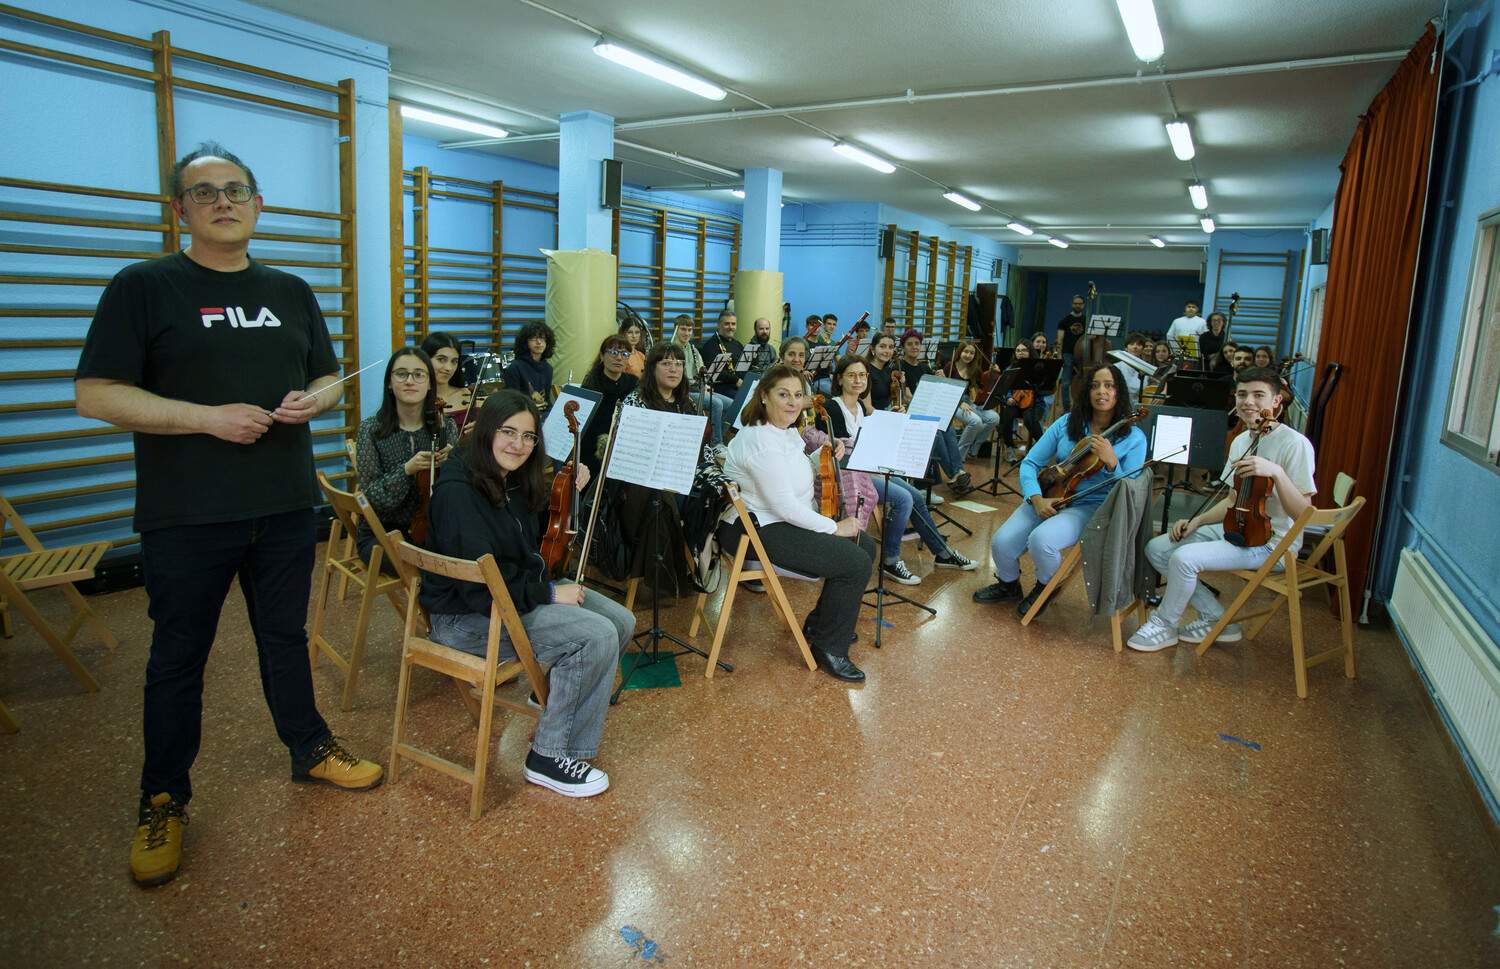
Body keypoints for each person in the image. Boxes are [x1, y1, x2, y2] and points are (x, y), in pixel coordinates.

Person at [74, 142, 382, 888]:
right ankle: (162, 798)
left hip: (284, 505)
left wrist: (317, 400)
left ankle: (309, 747)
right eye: (205, 191)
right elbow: (95, 393)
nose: (222, 201)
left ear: (257, 204)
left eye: (236, 189)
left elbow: (329, 376)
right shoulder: (143, 286)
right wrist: (204, 418)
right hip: (186, 514)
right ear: (180, 209)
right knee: (178, 657)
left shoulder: (290, 290)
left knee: (285, 638)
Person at [423, 391, 633, 796]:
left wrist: (569, 489)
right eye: (508, 432)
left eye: (528, 436)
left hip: (509, 595)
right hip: (467, 618)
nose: (518, 445)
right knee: (596, 635)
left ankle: (552, 698)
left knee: (622, 621)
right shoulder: (458, 493)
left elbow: (533, 539)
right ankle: (549, 756)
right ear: (487, 432)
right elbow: (481, 588)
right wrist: (549, 594)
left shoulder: (507, 478)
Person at [1127, 367, 1316, 652]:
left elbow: (1304, 515)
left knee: (1185, 559)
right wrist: (1198, 520)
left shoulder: (1295, 444)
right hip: (1237, 528)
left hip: (1274, 543)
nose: (1248, 401)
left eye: (1258, 395)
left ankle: (1165, 624)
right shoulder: (1241, 441)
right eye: (1242, 394)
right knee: (1157, 548)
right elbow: (1231, 500)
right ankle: (1215, 617)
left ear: (1276, 401)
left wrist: (1276, 472)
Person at [722, 365, 877, 682]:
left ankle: (821, 625)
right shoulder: (760, 441)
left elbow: (795, 471)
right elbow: (784, 505)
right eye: (783, 395)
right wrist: (834, 527)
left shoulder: (783, 431)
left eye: (797, 395)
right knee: (855, 561)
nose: (792, 402)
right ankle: (829, 647)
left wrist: (822, 454)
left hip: (777, 520)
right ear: (764, 396)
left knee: (865, 545)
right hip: (756, 530)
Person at [973, 364, 1147, 617]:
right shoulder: (1067, 423)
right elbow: (1030, 463)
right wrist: (1036, 499)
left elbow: (1130, 490)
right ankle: (1009, 585)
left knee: (1041, 540)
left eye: (1109, 386)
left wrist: (1112, 463)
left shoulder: (1133, 437)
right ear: (1087, 391)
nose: (1102, 391)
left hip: (1089, 505)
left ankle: (1045, 586)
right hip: (1050, 494)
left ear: (1119, 392)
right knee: (1001, 543)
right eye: (1095, 385)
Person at [825, 356, 976, 584]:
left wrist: (893, 420)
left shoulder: (861, 407)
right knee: (904, 499)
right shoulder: (832, 407)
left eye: (862, 375)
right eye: (851, 375)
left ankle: (943, 553)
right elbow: (840, 450)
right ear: (839, 379)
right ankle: (890, 560)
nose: (858, 380)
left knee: (916, 496)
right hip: (849, 474)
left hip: (869, 467)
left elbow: (873, 440)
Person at [353, 347, 459, 561]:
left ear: (430, 384)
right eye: (401, 374)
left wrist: (455, 463)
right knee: (430, 567)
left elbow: (460, 491)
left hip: (435, 528)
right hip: (384, 533)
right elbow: (371, 498)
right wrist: (406, 470)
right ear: (389, 383)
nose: (410, 381)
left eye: (419, 374)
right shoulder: (370, 430)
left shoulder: (445, 426)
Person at [897, 329, 970, 491]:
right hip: (912, 413)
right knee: (936, 432)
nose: (914, 347)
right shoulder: (900, 367)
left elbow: (937, 392)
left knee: (948, 427)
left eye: (917, 343)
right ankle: (954, 474)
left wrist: (941, 380)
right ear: (903, 347)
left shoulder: (925, 367)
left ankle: (958, 471)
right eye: (910, 344)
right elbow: (908, 398)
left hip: (928, 411)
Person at [579, 335, 639, 477]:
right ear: (602, 356)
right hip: (594, 449)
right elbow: (586, 429)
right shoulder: (591, 385)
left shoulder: (633, 383)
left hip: (625, 447)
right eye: (613, 352)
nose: (619, 358)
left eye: (624, 354)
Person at [671, 314, 729, 445]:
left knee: (731, 404)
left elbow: (701, 372)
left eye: (689, 330)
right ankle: (716, 444)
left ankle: (719, 436)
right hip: (683, 392)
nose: (687, 333)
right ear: (675, 329)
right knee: (717, 404)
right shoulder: (671, 350)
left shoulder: (693, 349)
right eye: (683, 329)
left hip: (697, 389)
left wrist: (705, 384)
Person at [947, 341, 1002, 458]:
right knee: (976, 422)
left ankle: (973, 449)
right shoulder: (950, 366)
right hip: (952, 402)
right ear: (960, 352)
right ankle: (958, 455)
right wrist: (960, 403)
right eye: (965, 351)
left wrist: (994, 372)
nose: (968, 355)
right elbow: (945, 389)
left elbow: (983, 384)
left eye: (972, 353)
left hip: (969, 402)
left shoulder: (974, 369)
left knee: (994, 418)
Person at [999, 341, 1044, 461]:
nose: (1020, 353)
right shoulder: (1011, 368)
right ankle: (1009, 447)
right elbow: (1006, 388)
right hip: (1016, 403)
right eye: (1018, 351)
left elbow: (1046, 391)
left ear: (1030, 352)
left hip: (1035, 404)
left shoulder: (1038, 368)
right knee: (1006, 414)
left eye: (1024, 350)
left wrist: (1035, 388)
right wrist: (1009, 397)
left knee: (1029, 418)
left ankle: (1043, 446)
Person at [501, 322, 557, 412]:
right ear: (525, 342)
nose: (539, 342)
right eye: (534, 338)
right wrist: (531, 408)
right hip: (522, 414)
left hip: (542, 414)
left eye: (542, 338)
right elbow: (511, 403)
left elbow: (546, 400)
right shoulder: (515, 367)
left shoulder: (548, 368)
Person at [422, 331, 471, 428]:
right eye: (441, 359)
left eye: (454, 361)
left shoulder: (469, 396)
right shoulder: (414, 397)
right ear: (425, 359)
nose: (449, 368)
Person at [698, 309, 744, 401]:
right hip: (720, 388)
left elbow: (743, 367)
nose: (730, 327)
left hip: (737, 385)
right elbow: (713, 372)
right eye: (727, 324)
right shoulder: (710, 345)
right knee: (742, 399)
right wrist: (736, 380)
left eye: (733, 324)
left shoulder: (738, 344)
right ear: (718, 325)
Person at [865, 332, 901, 411]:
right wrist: (886, 415)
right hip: (873, 416)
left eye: (891, 347)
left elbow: (894, 400)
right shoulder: (865, 371)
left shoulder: (890, 370)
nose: (887, 351)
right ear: (872, 348)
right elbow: (867, 408)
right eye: (882, 346)